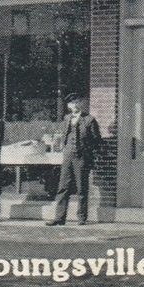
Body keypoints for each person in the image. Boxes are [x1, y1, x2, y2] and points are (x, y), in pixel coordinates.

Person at [46, 95, 101, 225]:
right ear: (68, 106)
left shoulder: (89, 119)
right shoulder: (66, 118)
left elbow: (96, 140)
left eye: (77, 102)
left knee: (81, 187)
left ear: (81, 103)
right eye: (71, 103)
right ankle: (59, 217)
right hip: (68, 156)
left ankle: (82, 217)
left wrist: (87, 152)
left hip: (81, 157)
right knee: (63, 186)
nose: (74, 105)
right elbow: (63, 136)